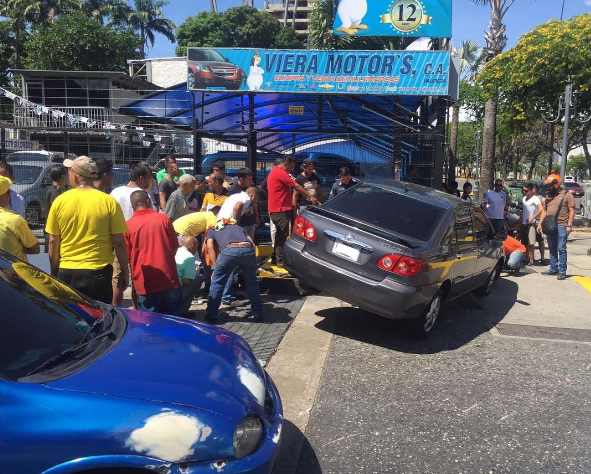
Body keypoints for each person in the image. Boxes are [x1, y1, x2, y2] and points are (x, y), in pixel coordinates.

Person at [45, 156, 128, 304]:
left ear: (75, 176)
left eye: (69, 171)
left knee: (71, 321)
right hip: (98, 273)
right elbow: (119, 242)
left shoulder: (60, 201)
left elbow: (53, 241)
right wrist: (124, 271)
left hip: (67, 270)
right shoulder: (108, 201)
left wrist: (54, 271)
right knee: (100, 319)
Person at [124, 190, 182, 315]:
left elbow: (126, 256)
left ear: (132, 206)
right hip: (168, 278)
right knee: (173, 321)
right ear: (148, 201)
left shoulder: (127, 226)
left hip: (144, 281)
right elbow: (174, 246)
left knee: (148, 322)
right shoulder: (163, 219)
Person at [110, 163, 153, 306]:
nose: (150, 180)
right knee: (137, 279)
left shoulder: (115, 192)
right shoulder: (143, 194)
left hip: (118, 241)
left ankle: (114, 311)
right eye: (148, 177)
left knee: (118, 279)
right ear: (141, 178)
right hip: (139, 242)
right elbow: (150, 217)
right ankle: (136, 310)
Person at [205, 219, 263, 323]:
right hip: (247, 249)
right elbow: (252, 244)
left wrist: (215, 267)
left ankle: (212, 315)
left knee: (217, 282)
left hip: (229, 250)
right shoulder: (238, 227)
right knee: (252, 283)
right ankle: (258, 314)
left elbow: (210, 246)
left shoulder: (211, 229)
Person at [267, 156, 318, 266]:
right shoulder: (280, 173)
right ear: (285, 165)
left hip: (279, 208)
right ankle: (279, 259)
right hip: (280, 209)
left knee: (281, 234)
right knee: (282, 234)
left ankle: (276, 258)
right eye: (291, 168)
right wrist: (310, 196)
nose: (292, 170)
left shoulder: (275, 172)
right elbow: (296, 186)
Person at [537, 174, 575, 280]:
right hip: (550, 225)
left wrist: (569, 225)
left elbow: (572, 210)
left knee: (561, 248)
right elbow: (544, 211)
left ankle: (562, 271)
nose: (548, 188)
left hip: (562, 225)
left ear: (556, 184)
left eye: (550, 186)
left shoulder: (567, 195)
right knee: (552, 248)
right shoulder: (548, 196)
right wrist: (540, 224)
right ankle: (553, 269)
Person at [0, 175, 40, 261]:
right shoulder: (15, 221)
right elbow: (35, 249)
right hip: (13, 271)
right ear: (7, 195)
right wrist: (22, 248)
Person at [227, 168, 260, 238]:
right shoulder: (233, 190)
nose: (251, 182)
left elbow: (254, 203)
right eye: (249, 180)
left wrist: (257, 216)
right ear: (241, 179)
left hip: (251, 222)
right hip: (240, 224)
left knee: (250, 243)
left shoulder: (252, 188)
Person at [175, 236, 203, 317]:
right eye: (196, 247)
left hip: (169, 285)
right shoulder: (189, 256)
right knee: (198, 278)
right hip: (177, 289)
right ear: (192, 246)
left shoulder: (177, 250)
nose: (196, 250)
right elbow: (186, 281)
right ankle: (183, 310)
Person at [43, 164, 68, 252]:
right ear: (63, 177)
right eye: (67, 174)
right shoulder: (54, 192)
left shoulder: (60, 191)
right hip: (54, 235)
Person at [520, 183, 543, 265]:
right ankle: (526, 258)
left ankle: (532, 259)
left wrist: (532, 218)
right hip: (523, 223)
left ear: (531, 190)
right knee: (525, 242)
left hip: (531, 223)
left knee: (531, 242)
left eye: (526, 191)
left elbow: (541, 209)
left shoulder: (535, 199)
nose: (524, 192)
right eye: (523, 190)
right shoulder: (523, 199)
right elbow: (523, 210)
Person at [532, 183, 546, 263]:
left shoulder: (542, 199)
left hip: (539, 222)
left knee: (540, 240)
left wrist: (541, 222)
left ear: (535, 189)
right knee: (531, 241)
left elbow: (545, 211)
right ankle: (531, 258)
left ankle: (542, 258)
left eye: (532, 188)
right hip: (531, 222)